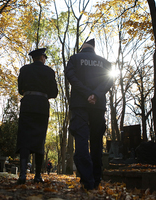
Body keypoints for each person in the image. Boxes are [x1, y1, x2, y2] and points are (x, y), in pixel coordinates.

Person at [65, 39, 113, 190]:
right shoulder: (104, 62)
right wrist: (96, 95)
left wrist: (86, 94)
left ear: (83, 47)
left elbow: (71, 76)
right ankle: (97, 178)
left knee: (81, 139)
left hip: (80, 104)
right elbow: (109, 80)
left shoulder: (75, 59)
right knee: (96, 141)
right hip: (97, 105)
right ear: (93, 48)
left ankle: (87, 180)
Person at [16, 48, 58, 184]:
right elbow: (54, 92)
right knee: (40, 139)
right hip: (41, 107)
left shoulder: (24, 70)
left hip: (27, 105)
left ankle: (22, 174)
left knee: (24, 138)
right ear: (42, 58)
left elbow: (20, 89)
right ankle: (38, 175)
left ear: (33, 58)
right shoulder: (49, 71)